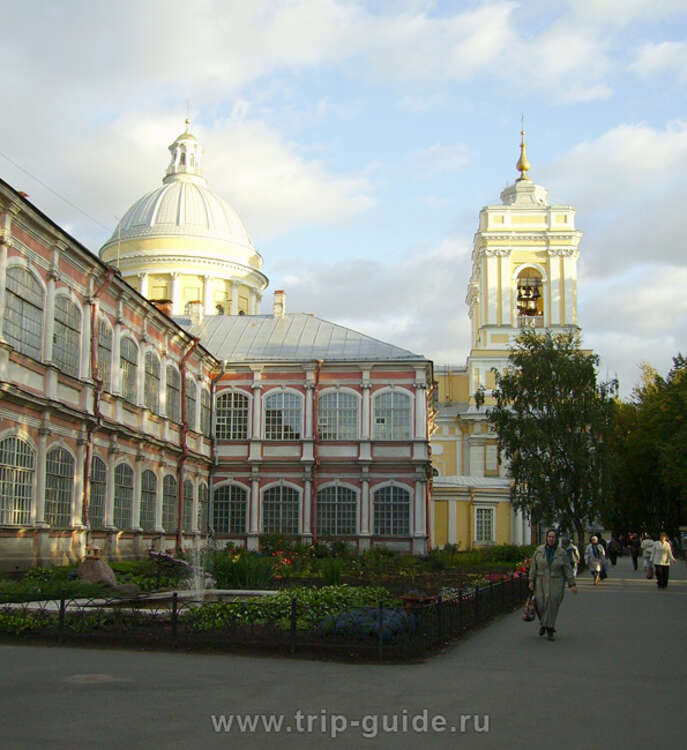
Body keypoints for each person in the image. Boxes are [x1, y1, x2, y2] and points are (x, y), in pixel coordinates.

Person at [528, 529, 577, 640]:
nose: (551, 539)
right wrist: (531, 580)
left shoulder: (561, 552)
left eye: (553, 537)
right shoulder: (539, 550)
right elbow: (533, 566)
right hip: (541, 580)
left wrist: (572, 583)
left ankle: (549, 629)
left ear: (556, 539)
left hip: (556, 580)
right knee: (540, 603)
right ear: (546, 538)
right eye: (549, 536)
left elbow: (567, 568)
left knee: (552, 601)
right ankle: (544, 624)